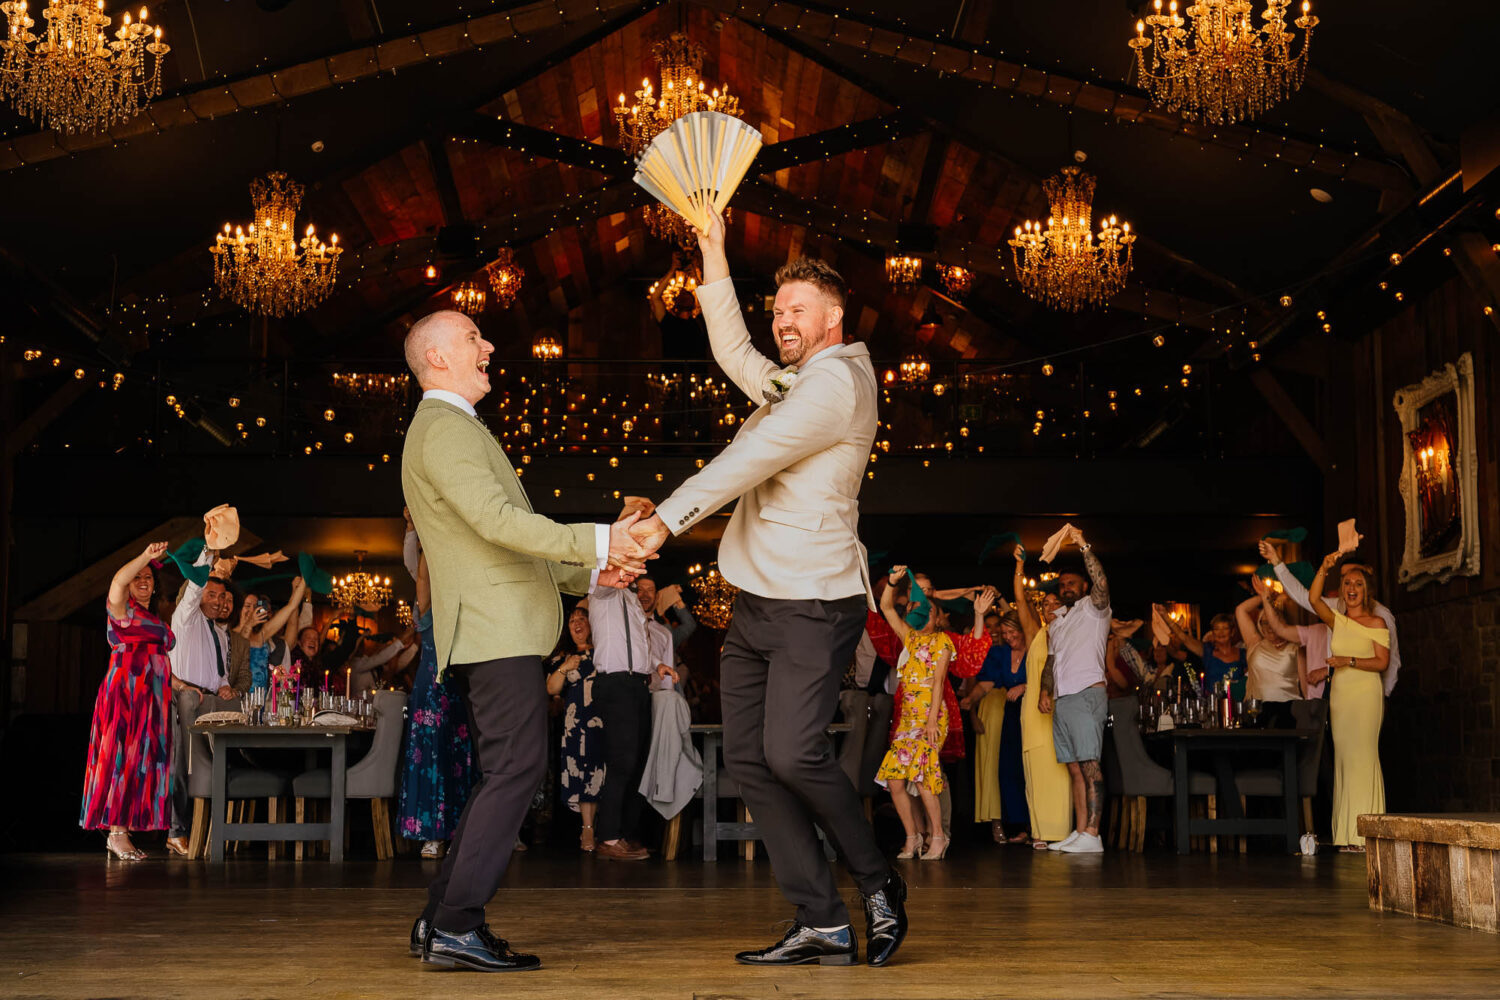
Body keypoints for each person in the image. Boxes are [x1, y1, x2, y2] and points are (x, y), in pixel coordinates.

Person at [626, 211, 905, 968]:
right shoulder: (798, 378)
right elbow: (731, 350)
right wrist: (712, 250)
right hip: (757, 601)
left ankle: (879, 884)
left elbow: (745, 464)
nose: (781, 321)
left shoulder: (837, 385)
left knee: (794, 754)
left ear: (833, 318)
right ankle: (820, 918)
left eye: (796, 311)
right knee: (748, 759)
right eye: (777, 310)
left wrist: (662, 525)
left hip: (816, 602)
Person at [400, 308, 647, 972]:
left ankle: (438, 918)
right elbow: (499, 522)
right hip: (493, 629)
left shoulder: (451, 428)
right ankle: (455, 925)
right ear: (439, 358)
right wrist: (603, 539)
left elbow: (509, 541)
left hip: (494, 625)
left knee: (503, 773)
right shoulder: (445, 429)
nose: (490, 345)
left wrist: (596, 568)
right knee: (514, 773)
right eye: (474, 338)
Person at [81, 542, 175, 860]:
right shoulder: (121, 608)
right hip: (125, 695)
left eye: (149, 576)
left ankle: (124, 828)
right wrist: (146, 557)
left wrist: (181, 684)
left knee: (140, 763)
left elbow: (157, 657)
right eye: (139, 576)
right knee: (121, 758)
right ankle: (116, 833)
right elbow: (119, 581)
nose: (143, 580)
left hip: (153, 699)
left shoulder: (152, 617)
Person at [164, 546, 249, 855]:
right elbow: (194, 586)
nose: (217, 601)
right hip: (186, 698)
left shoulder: (220, 632)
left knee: (211, 765)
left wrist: (226, 687)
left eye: (222, 597)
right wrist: (208, 554)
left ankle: (211, 829)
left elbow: (220, 673)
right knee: (184, 765)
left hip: (212, 702)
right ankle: (177, 831)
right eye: (211, 595)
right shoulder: (185, 617)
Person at [1306, 550, 1391, 852]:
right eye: (1346, 584)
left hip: (1365, 695)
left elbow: (1382, 663)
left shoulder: (1377, 623)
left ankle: (1367, 833)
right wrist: (1324, 567)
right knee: (1343, 760)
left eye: (1358, 584)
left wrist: (1347, 660)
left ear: (1366, 590)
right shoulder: (1337, 621)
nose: (1352, 589)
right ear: (1342, 591)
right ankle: (1346, 835)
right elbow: (1313, 599)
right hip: (1341, 698)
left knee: (1363, 758)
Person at [1037, 526, 1112, 854]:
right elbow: (1051, 662)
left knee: (1090, 763)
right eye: (1062, 584)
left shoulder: (1095, 609)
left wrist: (1082, 544)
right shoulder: (1058, 621)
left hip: (1087, 694)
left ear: (1083, 586)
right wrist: (1044, 690)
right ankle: (1080, 830)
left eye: (1071, 583)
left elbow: (1102, 582)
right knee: (1073, 767)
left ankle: (1093, 835)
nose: (1065, 587)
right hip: (1063, 697)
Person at [398, 549, 475, 860]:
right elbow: (423, 578)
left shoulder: (466, 616)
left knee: (462, 763)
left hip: (461, 693)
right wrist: (431, 540)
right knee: (431, 763)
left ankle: (462, 834)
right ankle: (432, 836)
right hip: (431, 693)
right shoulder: (428, 612)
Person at [584, 578, 668, 861]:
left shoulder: (632, 600)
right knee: (622, 761)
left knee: (637, 763)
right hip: (616, 682)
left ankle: (623, 834)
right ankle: (608, 838)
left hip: (638, 685)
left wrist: (657, 664)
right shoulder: (603, 590)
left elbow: (640, 642)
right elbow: (605, 573)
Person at [876, 567, 954, 860]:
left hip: (931, 717)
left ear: (937, 617)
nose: (924, 615)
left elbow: (938, 682)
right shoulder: (909, 638)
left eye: (930, 612)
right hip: (908, 720)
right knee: (895, 780)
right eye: (919, 609)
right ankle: (912, 836)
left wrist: (932, 720)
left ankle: (938, 836)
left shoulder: (942, 642)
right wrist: (894, 582)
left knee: (923, 777)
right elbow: (885, 606)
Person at [1261, 538, 1400, 696]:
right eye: (1345, 579)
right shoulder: (1334, 611)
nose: (1351, 584)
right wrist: (1276, 561)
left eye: (1357, 579)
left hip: (1368, 691)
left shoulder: (1381, 616)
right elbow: (1305, 597)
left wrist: (1384, 695)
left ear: (1367, 578)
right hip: (1337, 690)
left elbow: (1390, 661)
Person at [1011, 545, 1073, 848]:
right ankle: (1039, 832)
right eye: (1046, 602)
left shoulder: (1071, 635)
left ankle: (1060, 831)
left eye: (1054, 602)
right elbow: (1020, 599)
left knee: (1059, 771)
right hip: (1032, 712)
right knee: (1035, 771)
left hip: (1058, 710)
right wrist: (1019, 568)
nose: (1049, 606)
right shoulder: (1036, 631)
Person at [964, 609, 1029, 845]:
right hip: (1009, 714)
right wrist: (972, 699)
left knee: (1029, 769)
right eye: (1004, 633)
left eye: (1012, 632)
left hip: (1030, 714)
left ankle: (1034, 825)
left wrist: (1025, 686)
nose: (1008, 637)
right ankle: (1016, 824)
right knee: (1007, 768)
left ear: (1023, 630)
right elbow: (987, 682)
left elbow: (1047, 677)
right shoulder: (1000, 653)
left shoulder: (1035, 649)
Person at [545, 605, 604, 852]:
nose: (577, 623)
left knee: (602, 772)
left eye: (582, 618)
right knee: (581, 775)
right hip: (576, 726)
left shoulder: (605, 651)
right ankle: (587, 829)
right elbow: (552, 689)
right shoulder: (563, 658)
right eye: (572, 621)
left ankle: (607, 829)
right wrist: (565, 667)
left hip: (602, 721)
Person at [1237, 577, 1303, 728]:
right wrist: (1265, 596)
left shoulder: (1296, 646)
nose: (1268, 626)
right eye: (1263, 622)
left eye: (1272, 621)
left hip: (1289, 711)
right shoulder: (1255, 643)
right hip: (1256, 711)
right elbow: (1241, 610)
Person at [237, 579, 307, 692]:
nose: (252, 610)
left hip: (262, 697)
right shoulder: (229, 632)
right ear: (238, 608)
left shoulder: (262, 633)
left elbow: (291, 606)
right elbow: (239, 647)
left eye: (255, 606)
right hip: (241, 697)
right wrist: (249, 624)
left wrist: (304, 580)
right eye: (247, 605)